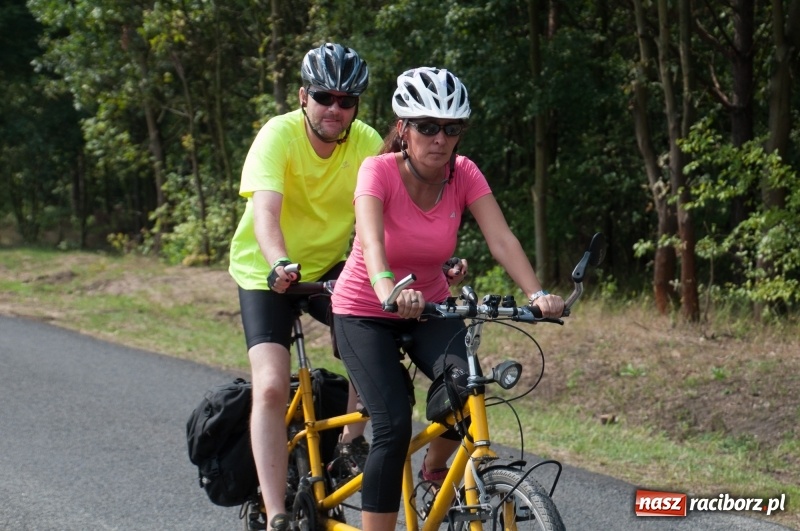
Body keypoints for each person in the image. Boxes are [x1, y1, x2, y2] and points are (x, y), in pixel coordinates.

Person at [330, 67, 565, 530]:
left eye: (451, 128)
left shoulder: (464, 174)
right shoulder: (377, 171)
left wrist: (536, 294)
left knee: (465, 388)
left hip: (431, 307)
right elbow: (372, 242)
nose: (440, 138)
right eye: (427, 126)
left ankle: (435, 472)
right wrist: (386, 289)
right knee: (394, 424)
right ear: (403, 128)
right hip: (364, 310)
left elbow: (501, 238)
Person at [228, 43, 383, 531]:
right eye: (324, 96)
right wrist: (279, 264)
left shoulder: (367, 142)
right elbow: (266, 216)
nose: (335, 109)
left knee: (374, 344)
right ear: (302, 96)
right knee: (272, 387)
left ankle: (350, 445)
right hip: (266, 273)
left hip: (333, 265)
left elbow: (388, 218)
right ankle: (275, 512)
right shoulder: (278, 135)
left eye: (347, 100)